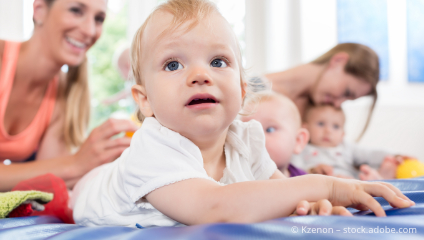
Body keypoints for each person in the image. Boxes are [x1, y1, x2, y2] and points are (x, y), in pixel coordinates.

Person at [71, 0, 413, 228]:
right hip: (89, 192)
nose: (200, 74)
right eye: (173, 64)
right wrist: (327, 185)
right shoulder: (152, 149)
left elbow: (282, 191)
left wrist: (316, 203)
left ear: (244, 88)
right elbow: (213, 207)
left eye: (218, 61)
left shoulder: (245, 138)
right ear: (144, 101)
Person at [0, 0, 138, 191]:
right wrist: (75, 163)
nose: (90, 31)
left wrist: (106, 162)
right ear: (39, 10)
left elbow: (49, 184)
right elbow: (67, 169)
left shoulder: (65, 95)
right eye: (76, 10)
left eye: (99, 19)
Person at [264, 42, 379, 139]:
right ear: (338, 61)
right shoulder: (253, 91)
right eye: (347, 93)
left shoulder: (317, 113)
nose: (337, 104)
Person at [292, 105, 401, 180]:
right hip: (323, 184)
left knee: (365, 174)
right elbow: (293, 170)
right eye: (321, 124)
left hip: (352, 181)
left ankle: (379, 178)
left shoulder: (345, 146)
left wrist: (394, 155)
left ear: (342, 134)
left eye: (336, 126)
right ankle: (377, 181)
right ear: (305, 128)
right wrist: (312, 170)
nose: (328, 131)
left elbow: (369, 154)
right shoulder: (301, 147)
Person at [240, 91, 309, 177]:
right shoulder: (233, 179)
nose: (256, 136)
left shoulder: (305, 183)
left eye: (269, 130)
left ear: (298, 141)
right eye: (247, 130)